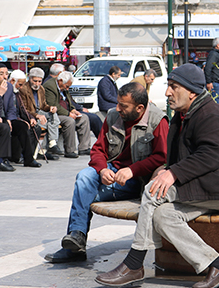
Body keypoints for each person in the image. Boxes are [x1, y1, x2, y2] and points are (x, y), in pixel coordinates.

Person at [95, 64, 219, 288]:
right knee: (163, 216)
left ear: (192, 92)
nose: (167, 92)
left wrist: (172, 173)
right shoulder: (183, 114)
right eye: (168, 86)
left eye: (173, 87)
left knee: (152, 191)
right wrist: (164, 170)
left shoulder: (211, 113)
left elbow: (211, 155)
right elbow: (179, 157)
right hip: (202, 187)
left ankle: (134, 264)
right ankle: (218, 266)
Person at [45, 82, 168, 264]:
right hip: (111, 172)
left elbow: (162, 157)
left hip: (138, 181)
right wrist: (102, 169)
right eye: (118, 103)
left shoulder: (158, 120)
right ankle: (77, 235)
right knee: (84, 176)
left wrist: (132, 171)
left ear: (140, 108)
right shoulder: (112, 116)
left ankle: (76, 243)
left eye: (123, 106)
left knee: (84, 193)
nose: (117, 108)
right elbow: (98, 150)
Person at [44, 71, 91, 158]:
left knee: (84, 118)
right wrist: (68, 113)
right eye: (67, 86)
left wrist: (73, 109)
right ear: (60, 81)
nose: (68, 89)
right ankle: (70, 150)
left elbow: (69, 100)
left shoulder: (64, 88)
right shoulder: (50, 86)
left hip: (65, 112)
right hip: (54, 114)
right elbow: (53, 104)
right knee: (69, 121)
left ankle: (84, 148)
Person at [18, 67, 61, 161]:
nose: (37, 84)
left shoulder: (41, 89)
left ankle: (52, 143)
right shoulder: (24, 89)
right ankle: (49, 146)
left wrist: (50, 108)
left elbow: (43, 105)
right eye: (35, 81)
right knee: (50, 124)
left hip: (40, 113)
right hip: (30, 115)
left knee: (54, 115)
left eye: (39, 81)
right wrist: (37, 115)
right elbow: (24, 109)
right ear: (29, 78)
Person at [7, 70, 42, 168]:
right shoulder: (6, 91)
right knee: (22, 126)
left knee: (35, 127)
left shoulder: (16, 93)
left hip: (16, 118)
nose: (21, 87)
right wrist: (21, 120)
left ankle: (27, 156)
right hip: (9, 119)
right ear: (13, 81)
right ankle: (26, 158)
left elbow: (22, 109)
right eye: (20, 84)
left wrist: (30, 118)